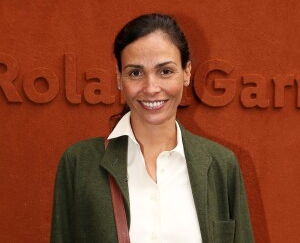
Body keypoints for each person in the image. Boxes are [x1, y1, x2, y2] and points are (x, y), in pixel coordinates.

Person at [51, 13, 254, 243]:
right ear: (119, 78)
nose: (151, 88)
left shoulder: (221, 165)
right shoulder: (79, 164)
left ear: (187, 73)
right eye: (135, 73)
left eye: (165, 71)